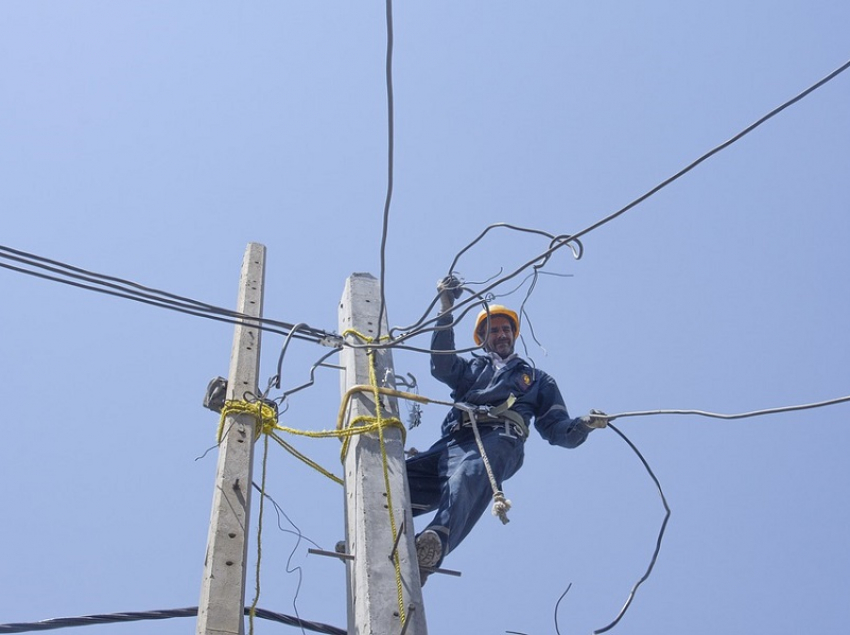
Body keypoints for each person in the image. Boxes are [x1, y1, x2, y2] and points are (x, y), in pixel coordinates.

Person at [406, 276, 608, 582]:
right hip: (452, 442)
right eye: (493, 330)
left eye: (505, 329)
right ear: (482, 338)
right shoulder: (473, 368)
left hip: (499, 440)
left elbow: (557, 430)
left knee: (468, 476)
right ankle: (375, 533)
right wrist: (446, 308)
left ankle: (434, 541)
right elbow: (441, 365)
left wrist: (583, 425)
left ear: (513, 334)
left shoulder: (537, 380)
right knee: (397, 479)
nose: (501, 335)